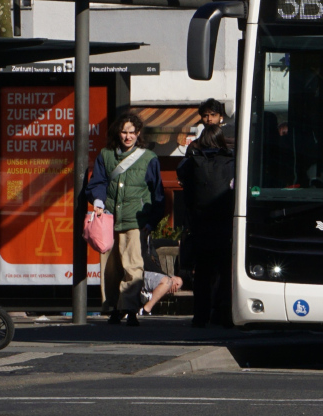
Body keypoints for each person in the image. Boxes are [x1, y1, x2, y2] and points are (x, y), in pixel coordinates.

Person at [87, 112, 165, 327]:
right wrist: (99, 202)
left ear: (138, 133)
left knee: (133, 267)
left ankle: (130, 309)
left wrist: (151, 221)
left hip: (135, 220)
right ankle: (113, 308)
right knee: (110, 269)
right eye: (124, 132)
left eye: (132, 132)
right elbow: (97, 183)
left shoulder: (149, 159)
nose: (128, 136)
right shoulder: (105, 155)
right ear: (117, 132)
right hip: (109, 219)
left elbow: (157, 193)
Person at [178, 100, 235, 328]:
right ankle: (222, 314)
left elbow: (183, 179)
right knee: (224, 272)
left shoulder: (193, 160)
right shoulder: (230, 160)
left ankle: (200, 316)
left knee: (202, 273)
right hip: (224, 226)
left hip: (201, 226)